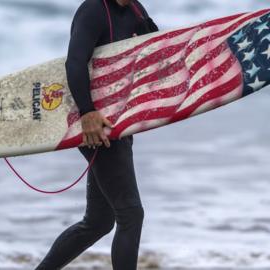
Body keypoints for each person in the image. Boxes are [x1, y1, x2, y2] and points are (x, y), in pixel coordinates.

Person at [35, 0, 158, 269]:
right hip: (96, 126)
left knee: (98, 222)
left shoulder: (136, 9)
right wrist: (87, 113)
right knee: (130, 213)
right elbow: (75, 63)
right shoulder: (94, 10)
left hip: (118, 120)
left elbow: (154, 49)